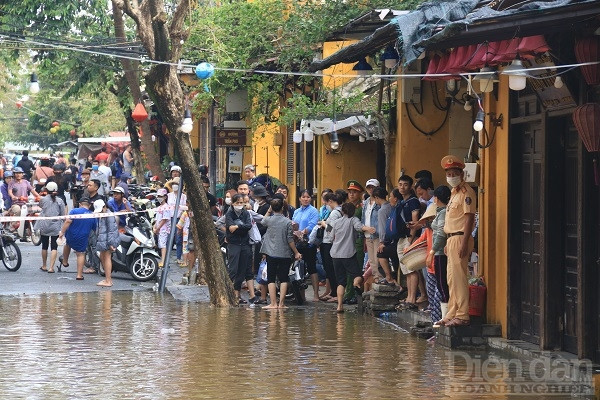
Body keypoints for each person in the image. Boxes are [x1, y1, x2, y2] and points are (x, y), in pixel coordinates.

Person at [438, 155, 476, 327]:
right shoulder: (454, 194)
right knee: (451, 279)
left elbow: (469, 219)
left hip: (461, 237)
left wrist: (463, 242)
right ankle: (452, 312)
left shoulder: (466, 193)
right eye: (448, 173)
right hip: (452, 239)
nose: (451, 176)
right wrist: (448, 242)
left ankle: (462, 315)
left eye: (454, 173)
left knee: (459, 278)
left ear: (461, 174)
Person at [328, 202, 375, 313]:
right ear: (353, 211)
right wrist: (369, 229)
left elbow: (330, 237)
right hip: (348, 254)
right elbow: (360, 227)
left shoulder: (336, 222)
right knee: (358, 275)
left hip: (335, 254)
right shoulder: (353, 220)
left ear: (342, 211)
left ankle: (340, 306)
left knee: (340, 281)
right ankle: (355, 284)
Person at [260, 197, 302, 309]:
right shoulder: (288, 222)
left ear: (272, 208)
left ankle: (273, 303)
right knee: (284, 278)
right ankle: (281, 304)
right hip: (285, 254)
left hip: (271, 253)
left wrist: (269, 211)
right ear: (283, 208)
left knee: (271, 278)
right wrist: (296, 252)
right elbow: (290, 240)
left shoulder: (269, 220)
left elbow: (262, 221)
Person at [396, 175, 422, 309]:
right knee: (406, 269)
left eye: (405, 184)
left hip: (410, 238)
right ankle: (409, 297)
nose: (402, 187)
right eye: (400, 184)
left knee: (411, 268)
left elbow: (415, 219)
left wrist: (410, 240)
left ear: (410, 186)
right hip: (402, 237)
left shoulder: (413, 202)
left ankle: (412, 298)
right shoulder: (401, 202)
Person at [58, 197, 97, 280]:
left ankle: (65, 261)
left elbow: (68, 221)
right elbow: (94, 229)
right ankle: (79, 275)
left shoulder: (74, 211)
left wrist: (62, 232)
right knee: (80, 254)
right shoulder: (92, 215)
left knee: (67, 245)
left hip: (71, 234)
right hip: (83, 237)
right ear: (89, 205)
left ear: (80, 204)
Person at [292, 189, 320, 300]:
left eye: (308, 197)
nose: (306, 199)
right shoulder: (297, 211)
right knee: (299, 269)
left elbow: (312, 225)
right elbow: (293, 223)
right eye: (303, 197)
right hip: (297, 244)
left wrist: (302, 232)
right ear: (299, 198)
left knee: (312, 268)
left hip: (308, 243)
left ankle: (316, 294)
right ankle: (301, 295)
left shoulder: (313, 211)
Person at [225, 193, 253, 304]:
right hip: (234, 244)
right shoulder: (229, 213)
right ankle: (228, 291)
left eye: (241, 202)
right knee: (233, 269)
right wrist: (238, 227)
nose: (240, 205)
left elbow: (248, 226)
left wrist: (237, 226)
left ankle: (237, 294)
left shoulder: (245, 213)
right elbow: (230, 227)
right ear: (233, 203)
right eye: (238, 203)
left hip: (245, 244)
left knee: (242, 270)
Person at [430, 185, 451, 326]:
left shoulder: (443, 213)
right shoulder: (441, 212)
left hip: (440, 253)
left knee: (442, 284)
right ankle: (445, 316)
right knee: (442, 283)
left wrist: (432, 251)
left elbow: (440, 234)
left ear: (436, 198)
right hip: (440, 252)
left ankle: (445, 316)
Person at [318, 191, 343, 302]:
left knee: (331, 268)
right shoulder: (339, 211)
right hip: (333, 242)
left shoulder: (335, 213)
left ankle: (335, 293)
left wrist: (323, 224)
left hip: (329, 242)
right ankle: (333, 292)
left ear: (331, 201)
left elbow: (330, 229)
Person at [37, 182, 66, 273]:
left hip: (44, 225)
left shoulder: (43, 199)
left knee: (44, 246)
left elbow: (41, 207)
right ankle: (51, 267)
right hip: (56, 226)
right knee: (54, 247)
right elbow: (62, 214)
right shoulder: (60, 201)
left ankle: (44, 265)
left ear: (46, 190)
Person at [372, 187, 398, 286]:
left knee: (381, 254)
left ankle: (388, 277)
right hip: (394, 238)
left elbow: (382, 227)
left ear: (376, 197)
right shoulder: (391, 206)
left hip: (387, 240)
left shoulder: (382, 210)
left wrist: (382, 242)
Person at [94, 199, 120, 287]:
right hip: (103, 240)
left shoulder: (109, 215)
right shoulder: (104, 215)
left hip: (107, 241)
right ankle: (107, 278)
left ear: (104, 207)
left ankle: (108, 280)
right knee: (102, 257)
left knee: (107, 257)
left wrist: (111, 243)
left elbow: (112, 230)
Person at [362, 178, 382, 282]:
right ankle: (376, 278)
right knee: (372, 260)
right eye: (369, 187)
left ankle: (380, 277)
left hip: (377, 234)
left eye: (373, 187)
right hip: (367, 234)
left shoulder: (379, 202)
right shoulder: (365, 202)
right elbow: (363, 218)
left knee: (377, 257)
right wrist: (364, 229)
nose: (371, 189)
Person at [153, 189, 171, 267]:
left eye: (160, 196)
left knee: (163, 245)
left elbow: (164, 219)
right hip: (159, 228)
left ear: (165, 197)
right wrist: (154, 227)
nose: (159, 198)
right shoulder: (159, 207)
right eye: (158, 196)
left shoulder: (166, 207)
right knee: (160, 244)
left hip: (163, 229)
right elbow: (157, 219)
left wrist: (158, 228)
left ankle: (163, 261)